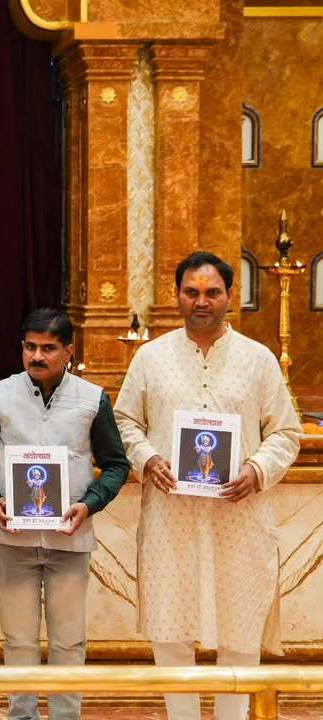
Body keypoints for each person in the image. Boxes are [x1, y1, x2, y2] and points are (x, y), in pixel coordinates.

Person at [114, 251, 302, 720]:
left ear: (229, 296)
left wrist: (256, 469)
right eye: (192, 292)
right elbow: (123, 421)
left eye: (212, 292)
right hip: (171, 519)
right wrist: (148, 458)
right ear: (177, 296)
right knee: (171, 634)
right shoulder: (150, 358)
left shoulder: (258, 360)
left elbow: (286, 431)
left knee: (240, 633)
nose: (202, 301)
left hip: (238, 518)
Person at [0, 308, 130, 720]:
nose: (37, 356)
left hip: (69, 540)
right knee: (18, 641)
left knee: (68, 642)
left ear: (69, 351)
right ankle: (21, 715)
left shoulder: (92, 399)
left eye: (48, 348)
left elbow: (116, 465)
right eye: (30, 347)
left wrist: (89, 504)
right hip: (13, 540)